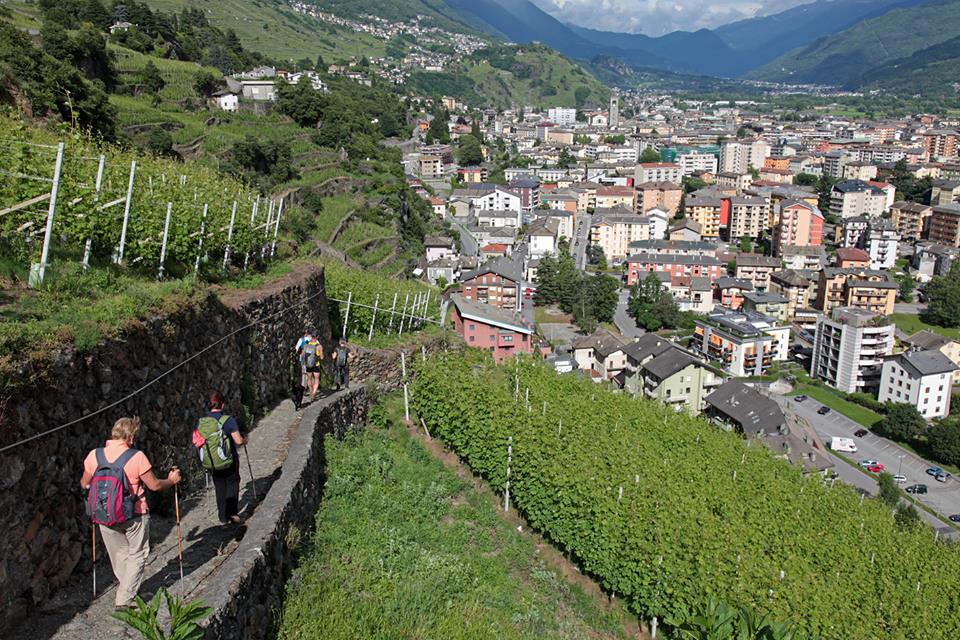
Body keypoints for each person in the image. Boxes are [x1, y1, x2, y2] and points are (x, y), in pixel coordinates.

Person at [80, 417, 181, 610]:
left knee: (119, 554)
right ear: (131, 437)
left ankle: (128, 588)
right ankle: (124, 599)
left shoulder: (94, 456)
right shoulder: (137, 457)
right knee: (138, 554)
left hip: (103, 514)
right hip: (134, 514)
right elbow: (154, 485)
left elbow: (84, 483)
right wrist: (172, 480)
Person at [194, 392, 247, 525]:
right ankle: (232, 513)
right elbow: (238, 441)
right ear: (222, 404)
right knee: (232, 482)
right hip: (229, 460)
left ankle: (222, 516)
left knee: (219, 486)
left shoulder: (204, 422)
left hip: (212, 461)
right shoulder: (227, 420)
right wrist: (245, 440)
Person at [298, 333, 324, 402]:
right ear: (317, 337)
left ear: (311, 337)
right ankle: (314, 394)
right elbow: (322, 357)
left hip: (308, 365)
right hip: (316, 365)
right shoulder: (319, 346)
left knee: (309, 379)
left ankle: (311, 392)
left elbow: (303, 356)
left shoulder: (306, 345)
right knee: (316, 379)